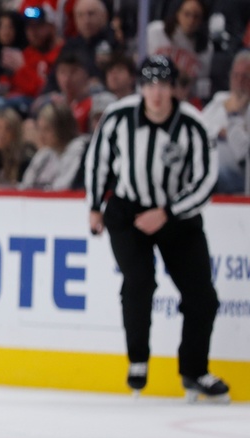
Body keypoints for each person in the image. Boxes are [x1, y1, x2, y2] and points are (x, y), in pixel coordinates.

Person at [85, 55, 229, 402]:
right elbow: (98, 159)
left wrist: (167, 212)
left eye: (163, 85)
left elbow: (206, 180)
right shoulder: (119, 117)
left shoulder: (193, 126)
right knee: (139, 280)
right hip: (127, 211)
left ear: (174, 88)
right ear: (141, 88)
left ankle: (195, 371)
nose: (156, 93)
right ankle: (138, 360)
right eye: (149, 85)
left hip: (176, 216)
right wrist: (94, 206)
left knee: (202, 297)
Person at [201, 50, 250, 194]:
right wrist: (220, 131)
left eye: (245, 77)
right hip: (208, 166)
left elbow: (242, 152)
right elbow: (199, 129)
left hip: (238, 178)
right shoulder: (220, 99)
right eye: (236, 75)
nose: (239, 81)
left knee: (213, 174)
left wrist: (233, 115)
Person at [20, 99, 86, 189]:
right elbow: (25, 185)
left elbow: (63, 187)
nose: (41, 135)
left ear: (62, 128)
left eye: (47, 129)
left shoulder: (79, 148)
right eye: (40, 129)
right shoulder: (45, 153)